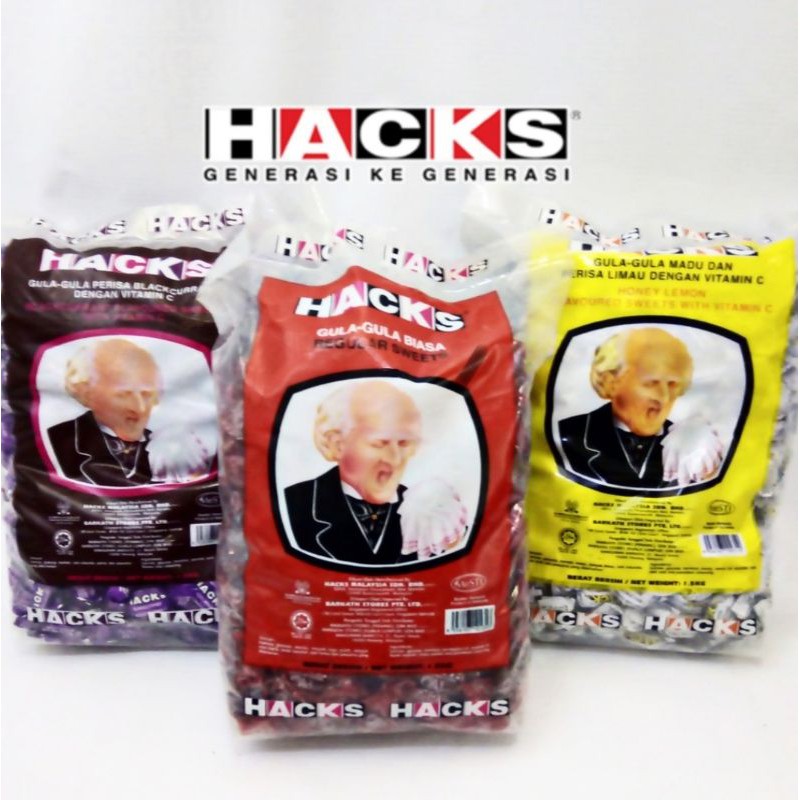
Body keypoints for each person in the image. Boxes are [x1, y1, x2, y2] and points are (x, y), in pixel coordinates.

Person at [558, 327, 718, 490]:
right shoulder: (567, 431)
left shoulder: (693, 445)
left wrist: (706, 462)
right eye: (651, 383)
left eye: (672, 384)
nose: (664, 397)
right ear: (610, 382)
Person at [284, 380, 423, 565]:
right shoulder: (293, 503)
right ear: (335, 444)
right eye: (379, 443)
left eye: (404, 443)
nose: (395, 459)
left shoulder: (427, 511)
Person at [47, 339, 160, 487]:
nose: (140, 408)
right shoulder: (57, 440)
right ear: (87, 393)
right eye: (124, 394)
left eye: (146, 394)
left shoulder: (164, 445)